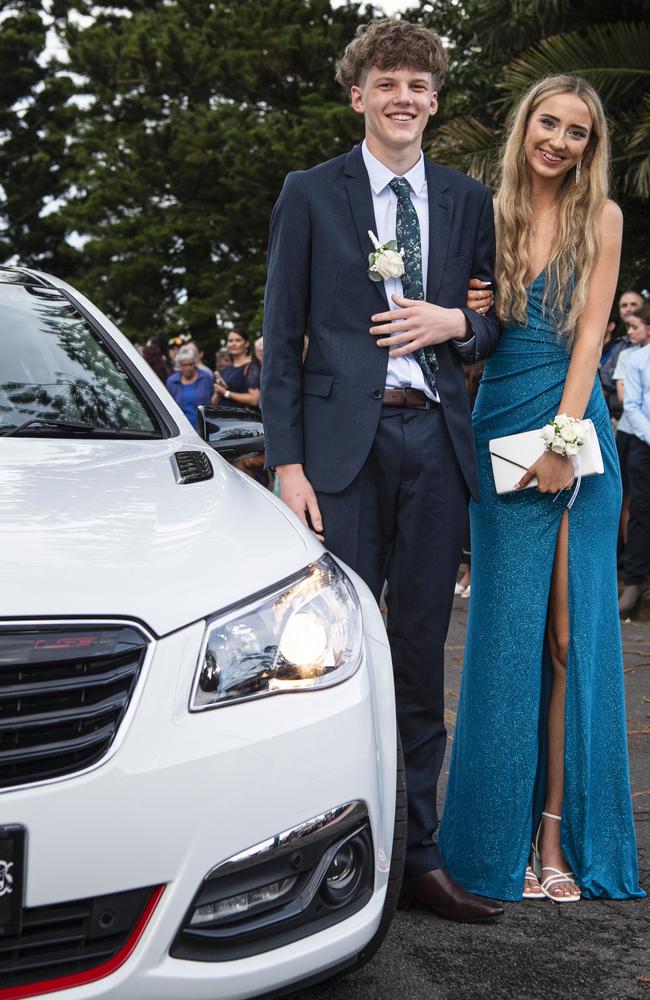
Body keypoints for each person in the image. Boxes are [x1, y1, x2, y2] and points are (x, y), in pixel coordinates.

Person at [262, 18, 502, 922]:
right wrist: (288, 463)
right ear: (358, 94)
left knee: (417, 648)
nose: (405, 97)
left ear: (436, 102)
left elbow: (491, 322)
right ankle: (321, 849)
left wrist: (456, 325)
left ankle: (419, 854)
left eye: (420, 85)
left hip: (437, 445)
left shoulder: (466, 198)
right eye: (387, 82)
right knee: (330, 651)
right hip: (338, 457)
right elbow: (282, 337)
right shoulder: (309, 193)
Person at [439, 76, 644, 903]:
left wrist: (566, 439)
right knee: (506, 639)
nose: (558, 141)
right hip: (499, 428)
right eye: (548, 123)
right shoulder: (480, 212)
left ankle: (557, 833)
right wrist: (467, 313)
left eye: (578, 132)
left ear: (592, 147)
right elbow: (472, 343)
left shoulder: (604, 218)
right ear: (525, 126)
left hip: (575, 430)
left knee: (570, 641)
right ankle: (497, 836)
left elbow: (593, 333)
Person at [618, 306, 650, 616]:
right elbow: (633, 405)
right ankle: (634, 582)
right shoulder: (637, 359)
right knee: (640, 508)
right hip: (643, 442)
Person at [165, 345, 214, 430]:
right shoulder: (172, 382)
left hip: (204, 428)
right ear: (179, 365)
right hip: (181, 429)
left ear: (194, 363)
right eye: (185, 365)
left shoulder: (206, 378)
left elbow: (213, 403)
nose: (188, 368)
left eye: (190, 364)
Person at [212, 330, 261, 411]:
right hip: (223, 420)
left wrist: (226, 393)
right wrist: (219, 390)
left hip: (242, 421)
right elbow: (213, 403)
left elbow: (254, 400)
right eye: (230, 341)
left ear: (246, 344)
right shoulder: (226, 369)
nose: (233, 344)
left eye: (238, 340)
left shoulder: (252, 367)